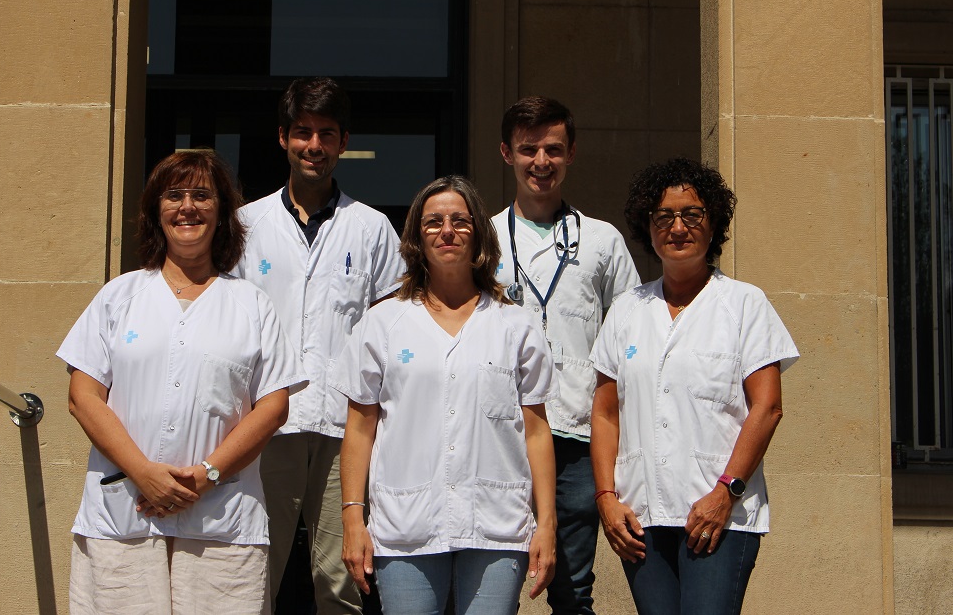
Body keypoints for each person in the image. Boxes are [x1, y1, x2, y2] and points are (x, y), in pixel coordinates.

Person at [59, 149, 307, 614]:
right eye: (173, 196)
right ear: (157, 210)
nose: (187, 207)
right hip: (124, 515)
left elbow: (273, 407)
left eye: (201, 195)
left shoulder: (251, 305)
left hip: (221, 520)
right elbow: (82, 396)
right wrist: (142, 472)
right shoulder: (120, 295)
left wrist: (207, 475)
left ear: (222, 213)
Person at [335, 176, 558, 615]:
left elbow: (535, 430)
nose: (447, 231)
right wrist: (352, 517)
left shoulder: (516, 324)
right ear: (418, 236)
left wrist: (546, 521)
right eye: (433, 222)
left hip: (497, 523)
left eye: (460, 220)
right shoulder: (383, 322)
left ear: (478, 232)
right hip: (404, 526)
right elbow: (360, 428)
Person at [589, 157, 800, 614]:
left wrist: (727, 491)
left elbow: (768, 408)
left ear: (714, 224)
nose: (677, 227)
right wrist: (606, 497)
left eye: (692, 214)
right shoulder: (626, 309)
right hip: (640, 516)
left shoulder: (744, 304)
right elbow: (606, 413)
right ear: (648, 226)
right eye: (664, 216)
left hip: (719, 515)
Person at [234, 76, 404, 611]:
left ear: (343, 142)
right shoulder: (246, 225)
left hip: (343, 427)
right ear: (282, 138)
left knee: (342, 581)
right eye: (303, 132)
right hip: (267, 424)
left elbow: (393, 327)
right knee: (254, 570)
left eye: (326, 134)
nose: (314, 145)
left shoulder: (373, 228)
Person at [493, 96, 641, 614]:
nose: (541, 162)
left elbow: (631, 339)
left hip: (576, 435)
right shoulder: (482, 238)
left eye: (553, 149)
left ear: (571, 154)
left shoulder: (601, 241)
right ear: (506, 153)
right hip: (499, 435)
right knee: (492, 585)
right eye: (528, 149)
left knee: (574, 588)